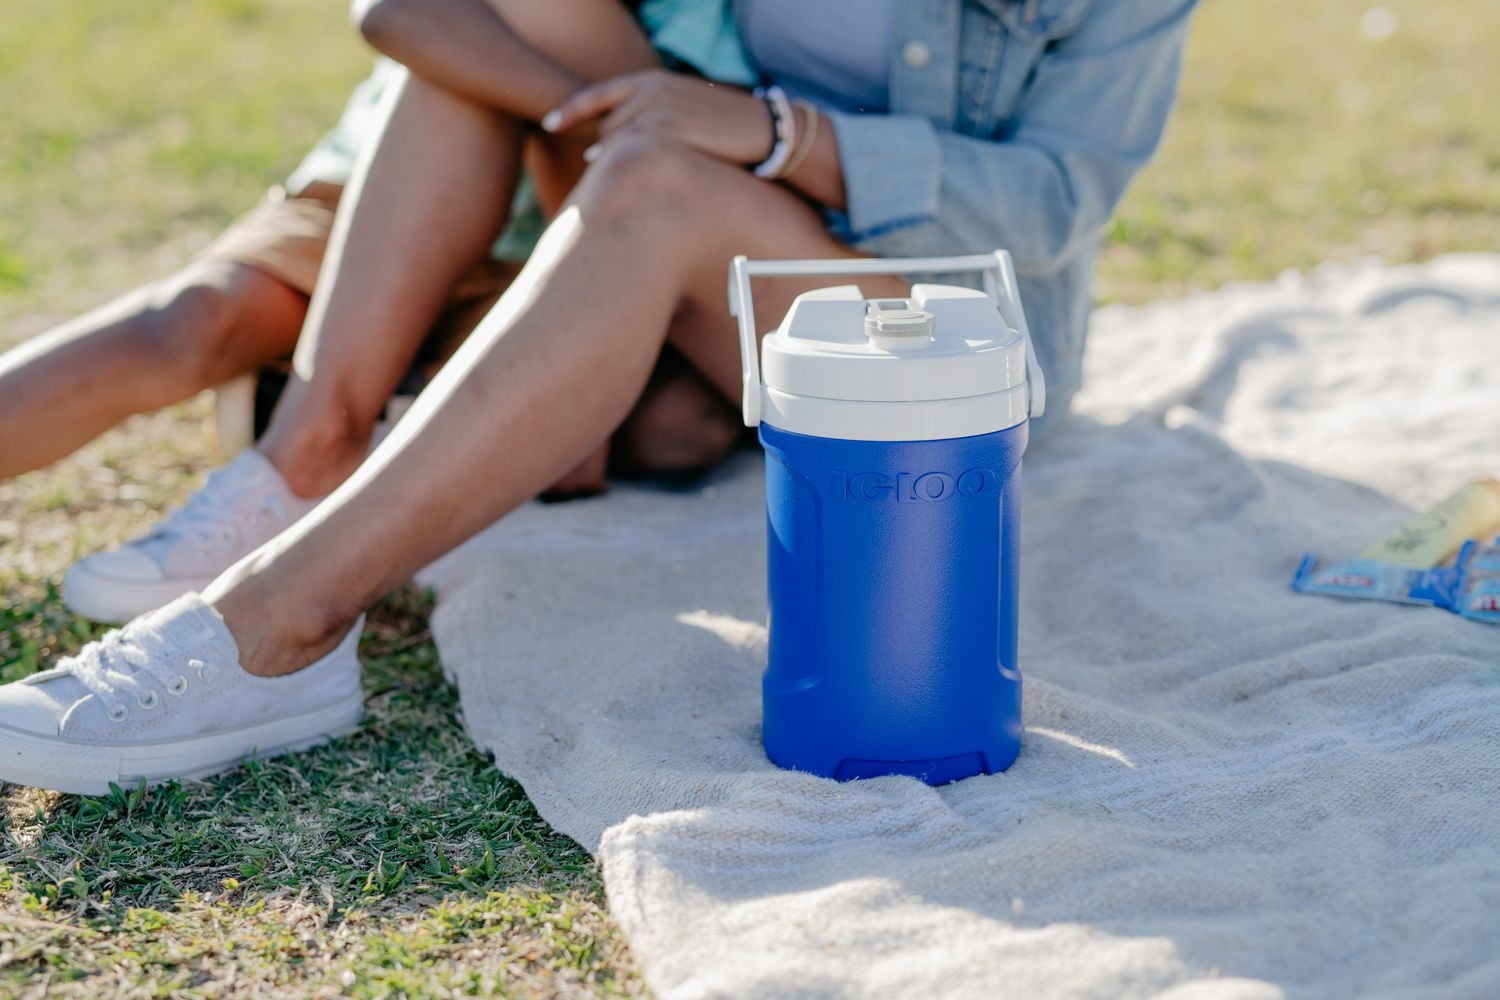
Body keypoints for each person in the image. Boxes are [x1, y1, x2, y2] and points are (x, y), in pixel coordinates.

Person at [0, 0, 1199, 795]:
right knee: (539, 79)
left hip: (924, 317)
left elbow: (1055, 198)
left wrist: (774, 133)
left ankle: (283, 623)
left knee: (655, 185)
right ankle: (328, 453)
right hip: (700, 207)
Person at [0, 0, 747, 624]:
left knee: (680, 428)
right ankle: (313, 442)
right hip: (400, 190)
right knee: (198, 321)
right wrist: (580, 113)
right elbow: (394, 12)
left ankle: (391, 422)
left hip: (589, 233)